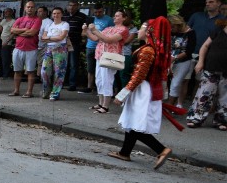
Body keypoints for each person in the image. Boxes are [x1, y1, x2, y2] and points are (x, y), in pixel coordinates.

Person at [108, 17, 173, 169]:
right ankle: (124, 152)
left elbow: (139, 74)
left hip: (142, 90)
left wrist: (123, 93)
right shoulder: (150, 48)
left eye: (142, 28)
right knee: (131, 122)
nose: (138, 30)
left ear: (149, 31)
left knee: (135, 123)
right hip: (145, 88)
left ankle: (161, 149)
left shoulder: (148, 50)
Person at [84, 9, 130, 114]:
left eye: (118, 16)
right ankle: (101, 103)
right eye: (115, 15)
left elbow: (109, 40)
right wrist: (87, 30)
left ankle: (105, 106)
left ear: (124, 18)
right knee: (99, 80)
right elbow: (95, 38)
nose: (115, 17)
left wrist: (95, 30)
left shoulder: (123, 30)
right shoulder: (109, 28)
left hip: (110, 57)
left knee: (107, 80)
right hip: (100, 56)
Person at [186, 18, 227, 130]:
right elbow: (204, 46)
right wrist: (200, 62)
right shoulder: (218, 29)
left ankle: (222, 120)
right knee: (204, 93)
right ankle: (195, 118)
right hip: (211, 67)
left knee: (225, 97)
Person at [9, 1, 41, 98]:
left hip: (31, 49)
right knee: (17, 71)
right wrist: (25, 30)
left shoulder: (37, 19)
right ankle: (16, 90)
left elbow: (32, 33)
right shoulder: (20, 19)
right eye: (28, 7)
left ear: (34, 8)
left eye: (32, 7)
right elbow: (12, 30)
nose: (30, 9)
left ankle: (29, 92)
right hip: (18, 48)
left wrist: (18, 32)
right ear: (25, 8)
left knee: (30, 71)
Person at [39, 7, 69, 100]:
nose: (56, 15)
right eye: (54, 13)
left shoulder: (65, 24)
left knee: (59, 72)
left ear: (62, 14)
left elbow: (61, 37)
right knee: (44, 71)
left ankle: (55, 92)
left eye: (58, 13)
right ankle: (46, 91)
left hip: (60, 49)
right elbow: (42, 37)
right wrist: (52, 38)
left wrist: (49, 38)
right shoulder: (50, 25)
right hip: (49, 48)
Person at [82, 4, 114, 93]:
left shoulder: (109, 20)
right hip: (90, 46)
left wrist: (96, 34)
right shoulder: (90, 19)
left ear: (103, 10)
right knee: (90, 68)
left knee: (103, 68)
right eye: (95, 12)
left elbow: (111, 33)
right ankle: (89, 87)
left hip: (103, 47)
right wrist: (87, 31)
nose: (97, 14)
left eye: (100, 12)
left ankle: (101, 88)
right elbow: (83, 33)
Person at [167, 15, 196, 108]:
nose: (171, 29)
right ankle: (169, 106)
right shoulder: (171, 32)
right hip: (169, 60)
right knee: (169, 83)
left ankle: (170, 106)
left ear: (178, 25)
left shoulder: (190, 33)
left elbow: (189, 51)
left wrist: (175, 58)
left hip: (183, 61)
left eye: (172, 26)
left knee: (176, 84)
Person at [62, 0, 87, 91]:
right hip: (63, 43)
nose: (71, 7)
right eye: (70, 5)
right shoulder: (63, 15)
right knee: (63, 63)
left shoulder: (82, 17)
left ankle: (72, 84)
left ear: (77, 6)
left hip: (75, 43)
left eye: (74, 5)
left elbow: (84, 30)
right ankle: (62, 82)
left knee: (73, 64)